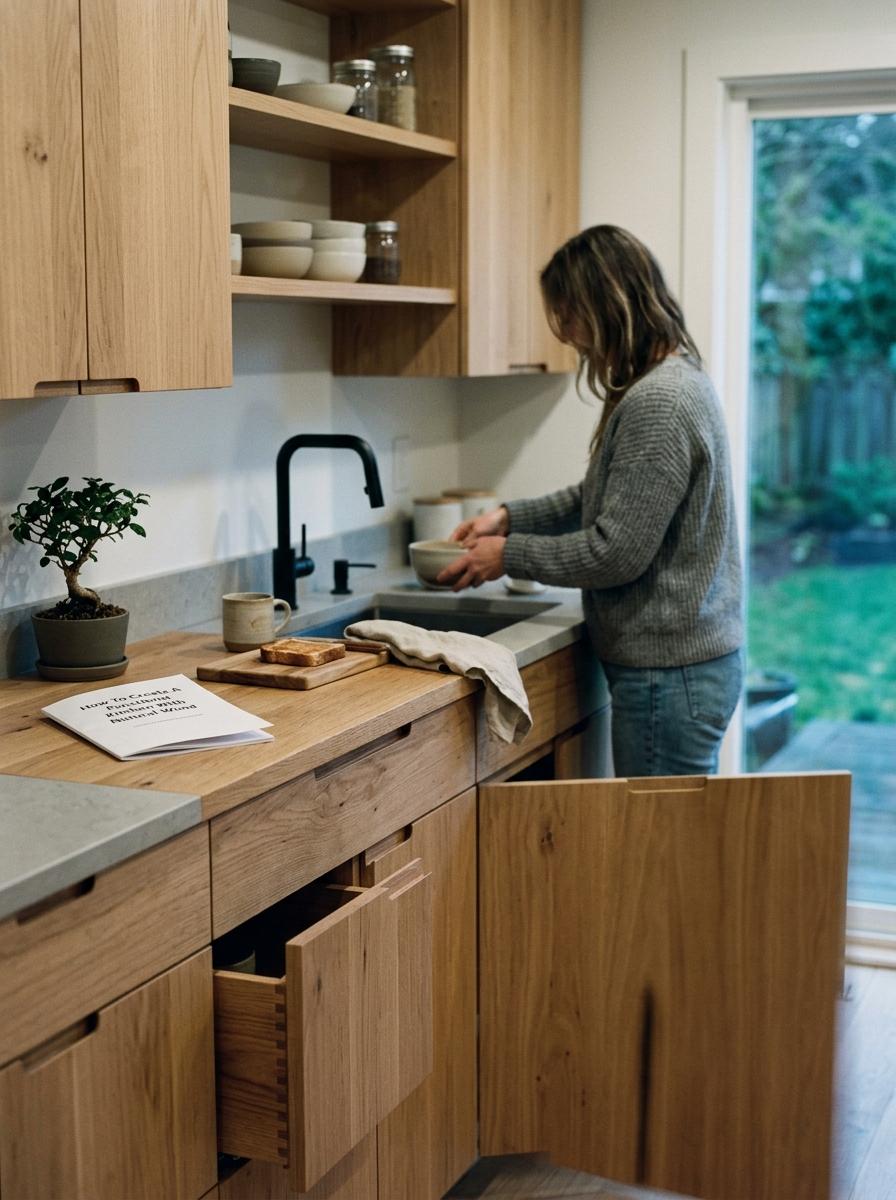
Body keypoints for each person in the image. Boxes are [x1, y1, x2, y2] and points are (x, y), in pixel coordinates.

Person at [436, 224, 743, 777]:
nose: (569, 335)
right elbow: (607, 495)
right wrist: (509, 516)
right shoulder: (670, 382)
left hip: (668, 676)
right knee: (669, 848)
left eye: (570, 315)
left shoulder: (660, 402)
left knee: (656, 852)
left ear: (606, 305)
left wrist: (507, 555)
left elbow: (615, 553)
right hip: (679, 670)